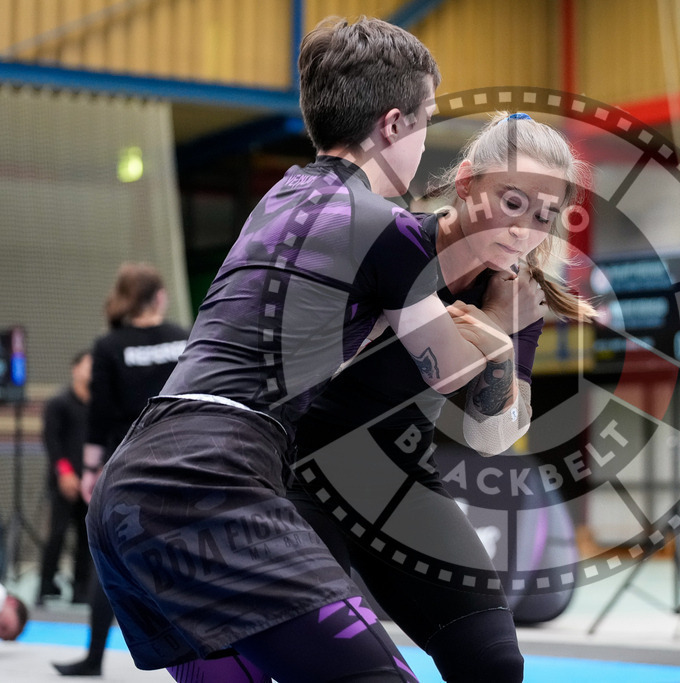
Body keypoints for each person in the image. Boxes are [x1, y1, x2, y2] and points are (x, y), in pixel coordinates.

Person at [85, 16, 510, 683]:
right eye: (425, 121)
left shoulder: (277, 199)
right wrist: (496, 325)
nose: (424, 142)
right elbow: (451, 370)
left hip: (130, 489)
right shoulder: (389, 229)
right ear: (393, 125)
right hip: (212, 483)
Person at [290, 112, 596, 683]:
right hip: (300, 471)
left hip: (399, 479)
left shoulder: (515, 293)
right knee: (332, 662)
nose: (525, 230)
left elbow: (491, 436)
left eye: (544, 216)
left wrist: (499, 346)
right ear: (465, 185)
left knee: (494, 661)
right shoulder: (393, 243)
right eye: (511, 202)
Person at [54, 263, 188, 677]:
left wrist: (91, 472)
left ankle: (95, 657)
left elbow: (100, 416)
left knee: (109, 560)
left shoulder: (109, 345)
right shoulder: (183, 337)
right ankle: (203, 655)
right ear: (160, 297)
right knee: (186, 557)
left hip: (127, 465)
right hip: (180, 462)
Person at [38, 350, 92, 606]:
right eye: (87, 365)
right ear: (75, 368)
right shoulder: (58, 403)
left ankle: (81, 588)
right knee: (57, 535)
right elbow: (52, 441)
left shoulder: (98, 406)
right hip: (64, 484)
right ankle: (45, 584)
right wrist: (65, 473)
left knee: (86, 537)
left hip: (89, 484)